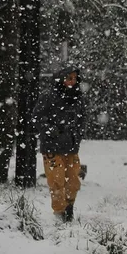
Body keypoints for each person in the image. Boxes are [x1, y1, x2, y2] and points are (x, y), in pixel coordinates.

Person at [33, 66, 86, 222]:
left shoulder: (78, 98)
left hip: (71, 147)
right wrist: (51, 130)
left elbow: (82, 119)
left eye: (74, 78)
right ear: (61, 79)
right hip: (52, 147)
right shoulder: (48, 96)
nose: (72, 81)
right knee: (57, 180)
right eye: (69, 78)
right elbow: (36, 118)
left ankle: (69, 209)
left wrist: (77, 135)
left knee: (73, 180)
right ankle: (59, 213)